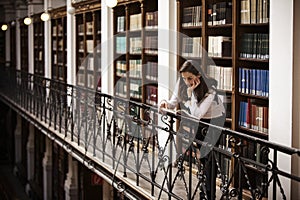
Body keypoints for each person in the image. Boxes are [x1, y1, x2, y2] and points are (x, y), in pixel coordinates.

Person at [159, 60, 226, 199]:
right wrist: (165, 103)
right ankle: (203, 191)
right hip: (201, 121)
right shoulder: (182, 82)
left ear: (199, 75)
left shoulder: (210, 91)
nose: (186, 81)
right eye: (184, 78)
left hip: (214, 122)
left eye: (190, 78)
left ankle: (209, 195)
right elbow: (173, 103)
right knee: (201, 157)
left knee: (209, 159)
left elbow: (197, 114)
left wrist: (192, 94)